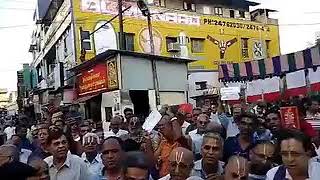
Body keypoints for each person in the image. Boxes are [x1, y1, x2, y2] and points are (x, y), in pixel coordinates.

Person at [156, 113, 191, 177]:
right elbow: (153, 161)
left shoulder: (183, 141)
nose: (160, 129)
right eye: (159, 126)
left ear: (171, 126)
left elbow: (178, 136)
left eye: (162, 126)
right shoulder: (163, 142)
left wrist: (173, 118)